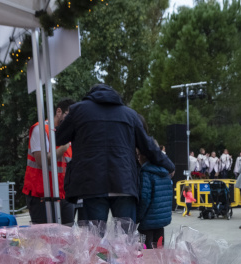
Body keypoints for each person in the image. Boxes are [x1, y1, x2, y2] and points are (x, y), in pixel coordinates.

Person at [55, 84, 173, 224]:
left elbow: (59, 138)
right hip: (124, 184)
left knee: (94, 241)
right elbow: (148, 146)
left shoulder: (78, 110)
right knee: (126, 240)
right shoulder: (130, 115)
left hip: (91, 185)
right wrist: (169, 165)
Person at [23, 98, 76, 224]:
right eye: (69, 116)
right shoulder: (41, 129)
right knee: (44, 238)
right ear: (59, 112)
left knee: (67, 237)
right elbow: (41, 161)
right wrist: (64, 146)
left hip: (64, 194)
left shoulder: (70, 132)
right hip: (41, 195)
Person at [136, 150, 173, 248]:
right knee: (158, 253)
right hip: (160, 221)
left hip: (148, 221)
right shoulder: (165, 172)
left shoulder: (146, 173)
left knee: (146, 255)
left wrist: (137, 217)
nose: (137, 158)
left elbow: (144, 199)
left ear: (143, 157)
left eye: (138, 155)